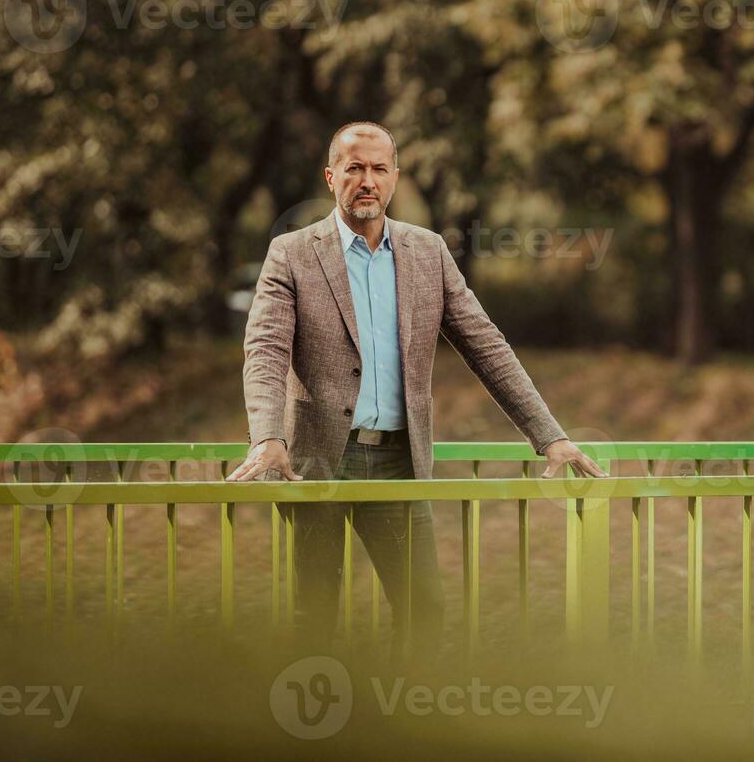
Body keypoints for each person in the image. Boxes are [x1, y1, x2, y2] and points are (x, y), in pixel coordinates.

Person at [228, 121, 603, 658]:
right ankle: (310, 735)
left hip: (399, 462)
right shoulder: (291, 253)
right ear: (331, 176)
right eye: (355, 168)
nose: (367, 181)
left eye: (379, 169)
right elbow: (264, 351)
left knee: (424, 611)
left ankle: (412, 726)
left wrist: (550, 436)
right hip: (317, 461)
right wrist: (267, 436)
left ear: (395, 178)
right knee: (314, 617)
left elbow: (486, 346)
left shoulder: (428, 252)